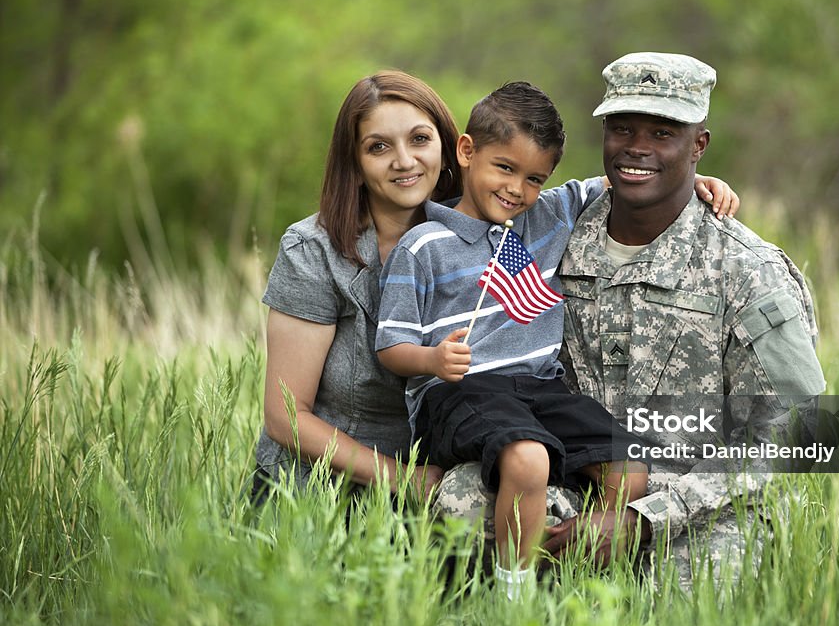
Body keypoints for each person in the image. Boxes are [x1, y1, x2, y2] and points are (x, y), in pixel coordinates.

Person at [252, 69, 739, 506]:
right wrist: (401, 479)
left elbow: (603, 186)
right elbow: (284, 417)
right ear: (354, 160)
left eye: (419, 139)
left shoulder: (495, 216)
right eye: (378, 146)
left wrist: (688, 181)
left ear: (450, 146)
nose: (404, 161)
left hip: (447, 475)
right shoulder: (316, 249)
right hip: (322, 490)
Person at [434, 52, 826, 590]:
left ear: (699, 145)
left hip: (698, 505)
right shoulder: (553, 233)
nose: (637, 147)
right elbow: (462, 214)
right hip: (579, 475)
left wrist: (645, 520)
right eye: (622, 128)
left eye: (663, 132)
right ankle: (502, 623)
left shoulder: (748, 269)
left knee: (699, 590)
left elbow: (794, 430)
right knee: (462, 497)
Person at [376, 82, 648, 596]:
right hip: (460, 394)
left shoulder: (545, 214)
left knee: (627, 467)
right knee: (528, 460)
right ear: (467, 151)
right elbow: (390, 348)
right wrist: (433, 360)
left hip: (540, 388)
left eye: (534, 178)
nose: (518, 190)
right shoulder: (422, 246)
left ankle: (592, 577)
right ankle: (514, 596)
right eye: (505, 168)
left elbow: (620, 183)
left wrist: (702, 180)